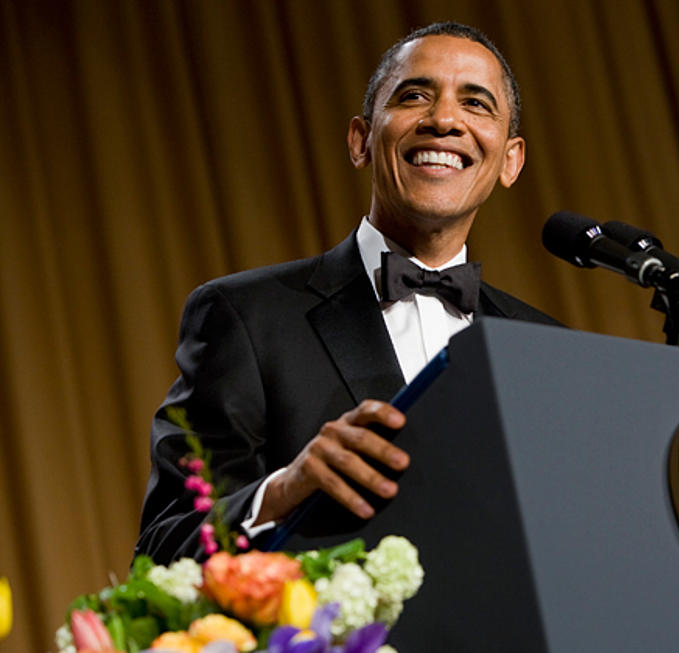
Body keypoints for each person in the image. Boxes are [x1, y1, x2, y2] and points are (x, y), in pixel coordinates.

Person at [135, 22, 559, 563]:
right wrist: (282, 493)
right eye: (414, 96)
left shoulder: (547, 348)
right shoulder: (246, 316)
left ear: (510, 160)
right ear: (360, 140)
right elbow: (163, 548)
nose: (445, 120)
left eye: (476, 104)